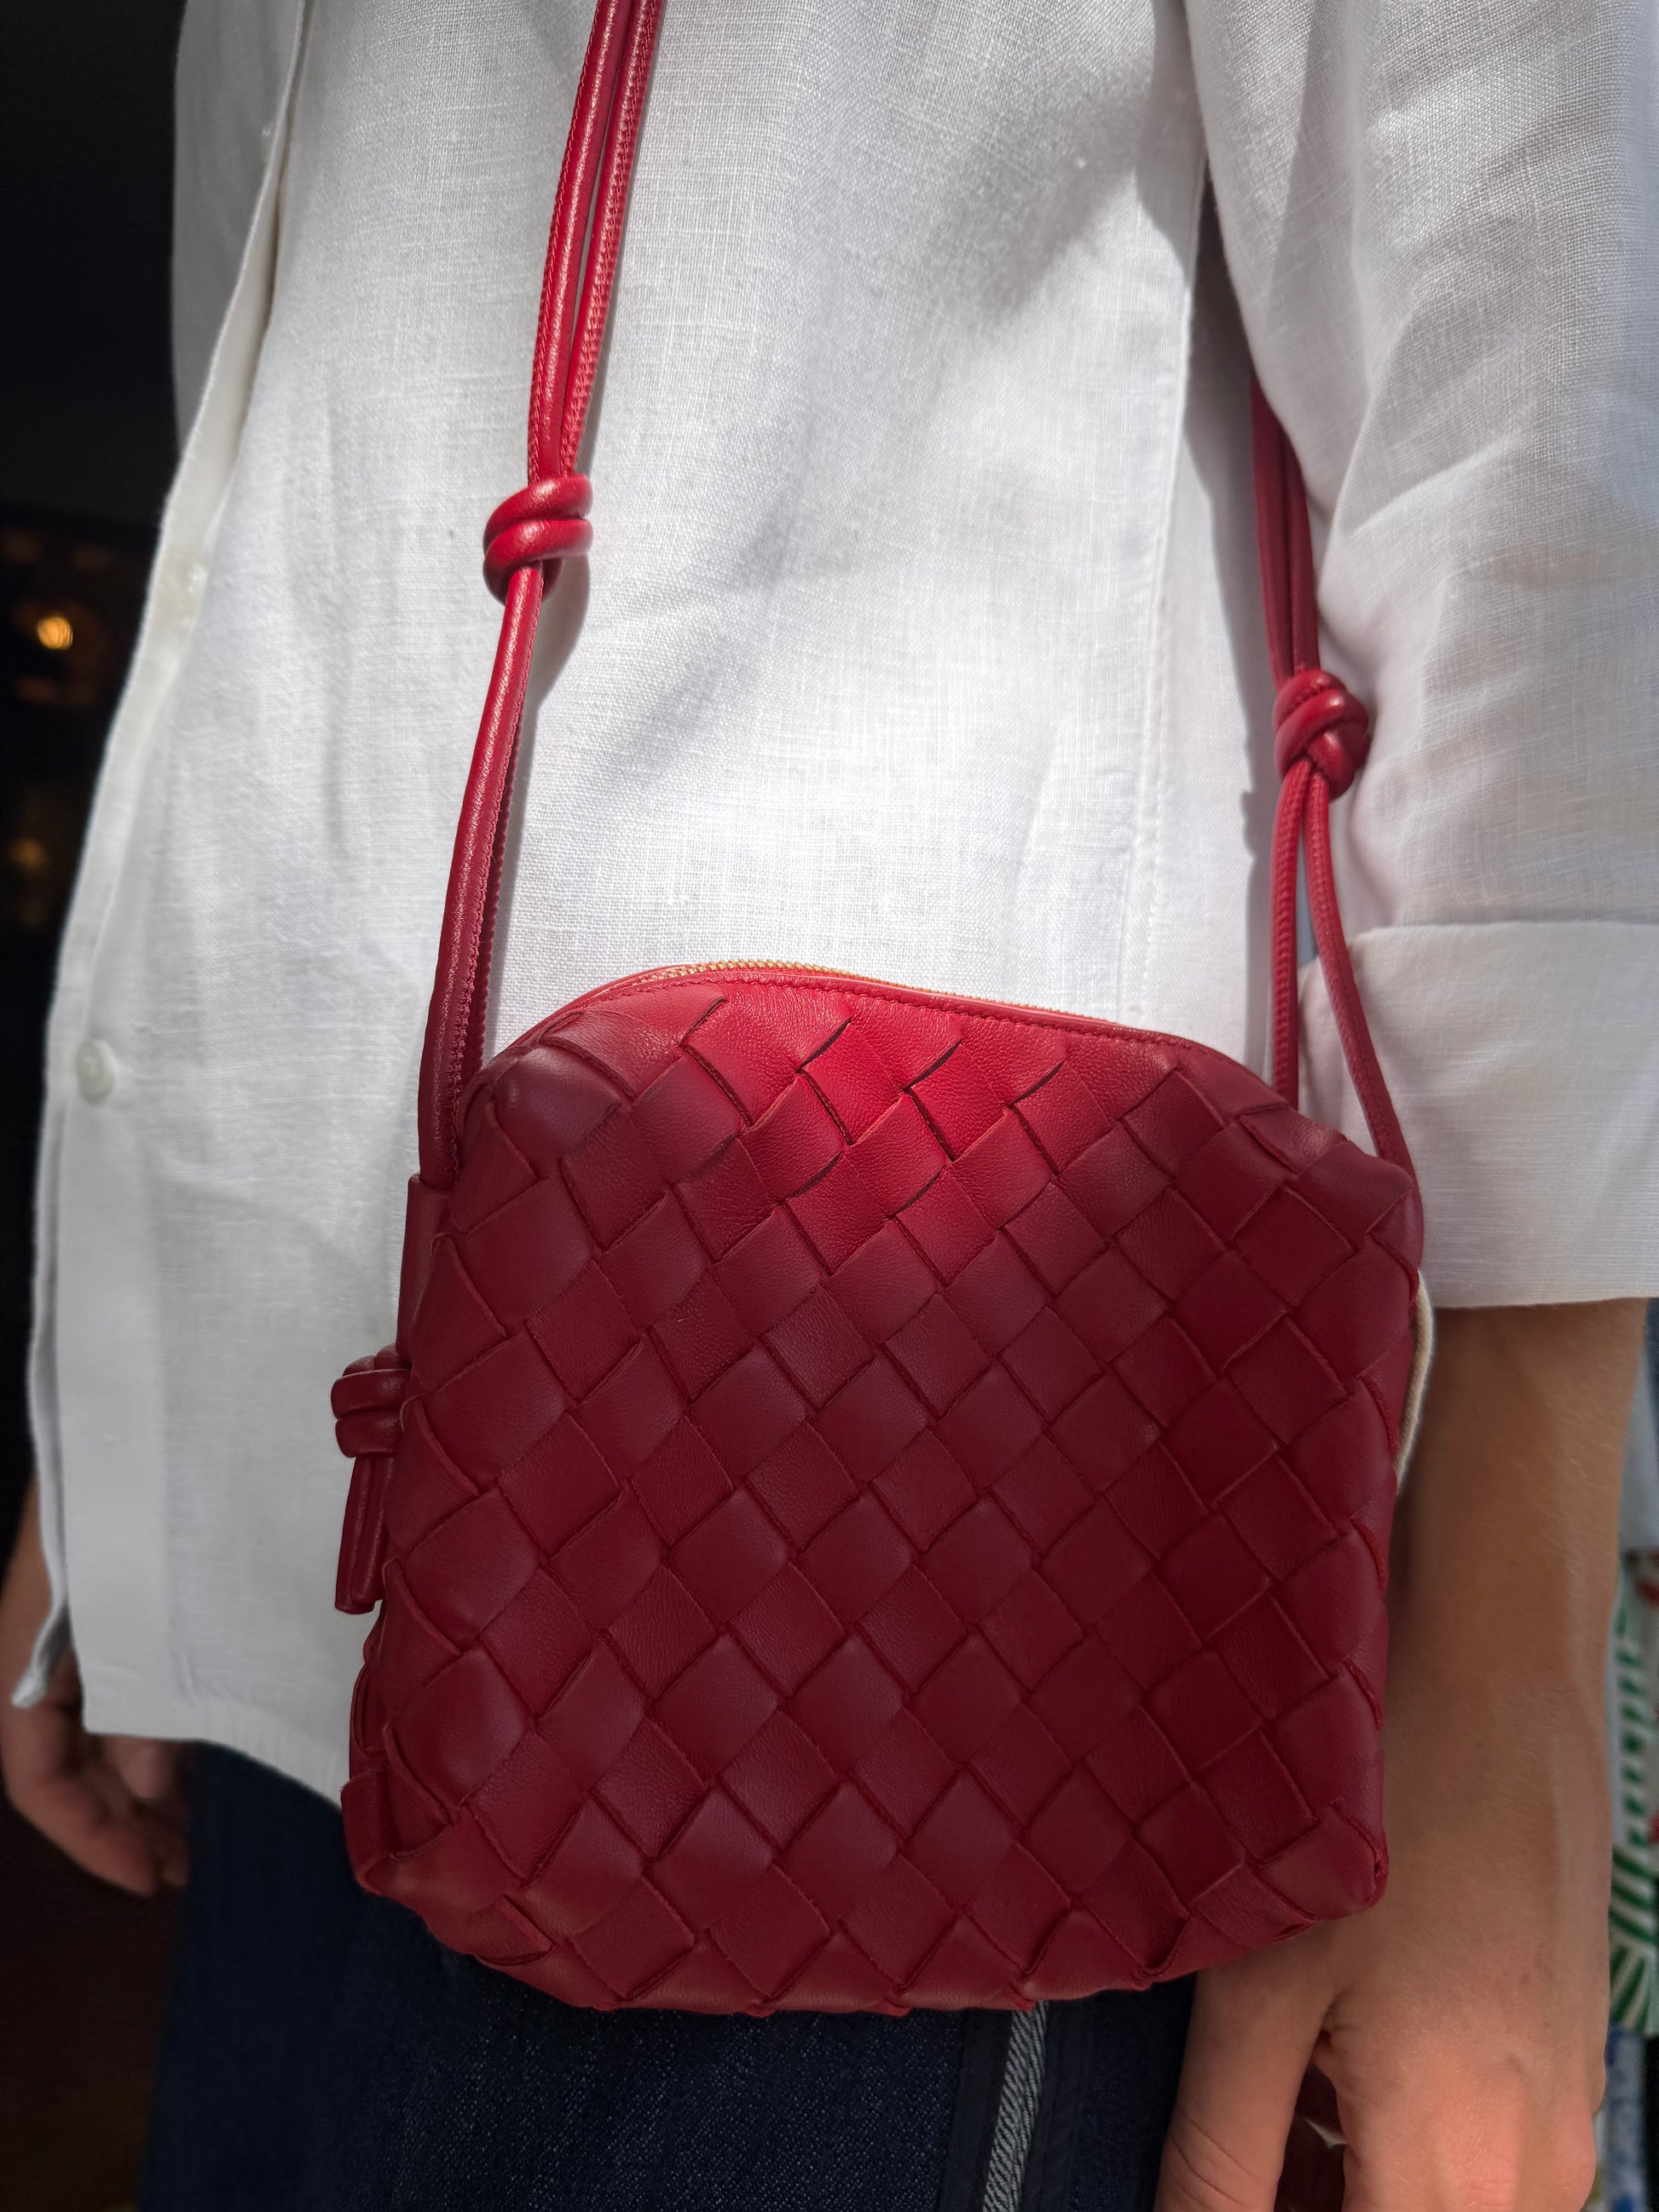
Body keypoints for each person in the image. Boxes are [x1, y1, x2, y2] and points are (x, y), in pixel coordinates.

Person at [3, 3, 1656, 2207]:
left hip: (943, 1570)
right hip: (303, 1590)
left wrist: (1506, 1698)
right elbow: (289, 456)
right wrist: (127, 1412)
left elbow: (1529, 376)